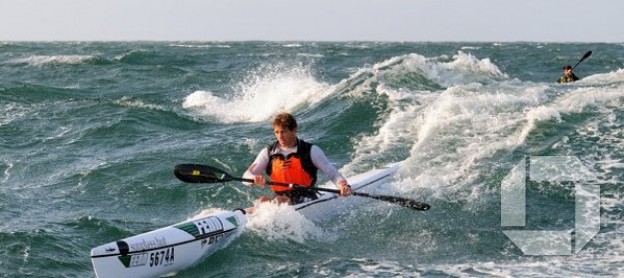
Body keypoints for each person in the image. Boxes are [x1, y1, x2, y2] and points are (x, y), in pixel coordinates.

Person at [244, 112, 352, 205]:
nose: (280, 136)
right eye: (276, 132)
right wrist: (254, 178)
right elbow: (246, 177)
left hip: (306, 197)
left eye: (283, 132)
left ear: (294, 130)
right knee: (262, 201)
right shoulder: (268, 153)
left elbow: (332, 172)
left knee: (278, 201)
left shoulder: (311, 150)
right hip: (279, 199)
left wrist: (343, 186)